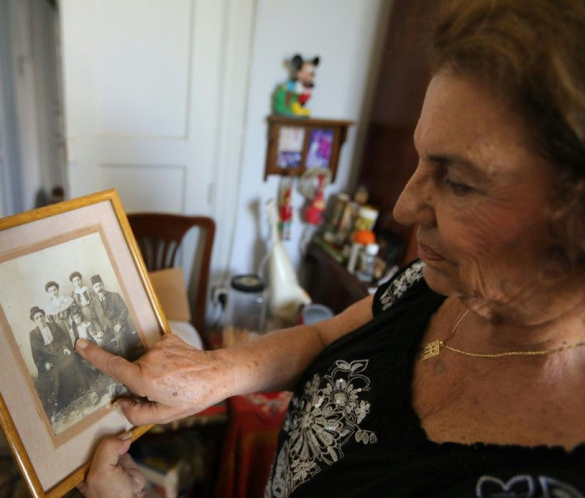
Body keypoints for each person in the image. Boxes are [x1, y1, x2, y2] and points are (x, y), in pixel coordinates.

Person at [75, 0, 585, 496]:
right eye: (421, 160)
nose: (404, 207)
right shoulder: (429, 285)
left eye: (458, 181)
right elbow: (324, 338)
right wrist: (217, 373)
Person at [28, 306, 91, 422]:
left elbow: (64, 338)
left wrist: (66, 347)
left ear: (44, 316)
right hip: (48, 358)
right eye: (37, 318)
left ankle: (81, 388)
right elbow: (36, 354)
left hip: (60, 352)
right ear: (34, 320)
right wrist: (45, 363)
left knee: (71, 360)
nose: (40, 319)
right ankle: (64, 400)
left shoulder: (53, 325)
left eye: (41, 316)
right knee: (54, 371)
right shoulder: (33, 334)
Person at [44, 280, 78, 347]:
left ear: (58, 289)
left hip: (71, 323)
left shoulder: (67, 300)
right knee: (66, 342)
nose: (53, 293)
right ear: (48, 293)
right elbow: (51, 322)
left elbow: (75, 312)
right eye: (50, 291)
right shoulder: (49, 307)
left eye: (55, 290)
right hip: (59, 328)